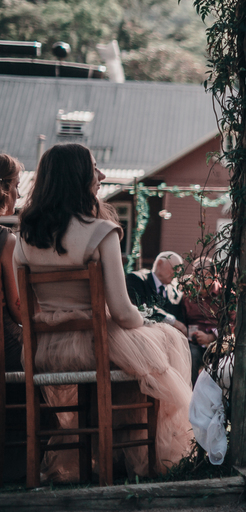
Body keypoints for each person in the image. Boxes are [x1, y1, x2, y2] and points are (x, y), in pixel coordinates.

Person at [14, 143, 193, 480]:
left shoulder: (23, 237)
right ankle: (135, 458)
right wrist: (146, 323)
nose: (103, 176)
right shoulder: (100, 232)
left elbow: (28, 309)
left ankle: (97, 457)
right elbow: (123, 314)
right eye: (95, 168)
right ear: (77, 176)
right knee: (164, 341)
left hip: (43, 350)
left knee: (136, 357)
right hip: (94, 344)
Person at [1, 153, 23, 375]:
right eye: (17, 185)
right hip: (5, 346)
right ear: (4, 188)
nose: (19, 194)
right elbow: (17, 310)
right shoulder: (6, 240)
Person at [125, 251, 186, 331]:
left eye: (178, 271)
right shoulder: (137, 280)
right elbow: (142, 307)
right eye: (174, 269)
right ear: (159, 264)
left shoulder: (175, 293)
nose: (176, 274)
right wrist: (171, 320)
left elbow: (181, 319)